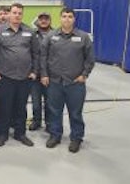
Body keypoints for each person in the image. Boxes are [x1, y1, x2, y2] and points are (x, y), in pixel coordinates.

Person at [40, 8, 95, 153]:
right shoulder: (51, 36)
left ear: (74, 19)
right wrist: (44, 75)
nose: (67, 19)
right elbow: (43, 57)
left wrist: (84, 75)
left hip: (75, 83)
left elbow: (90, 59)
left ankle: (76, 138)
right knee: (54, 111)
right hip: (54, 82)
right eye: (64, 16)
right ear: (60, 19)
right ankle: (55, 135)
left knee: (75, 112)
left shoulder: (83, 37)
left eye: (70, 17)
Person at [0, 3, 39, 147]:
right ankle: (2, 134)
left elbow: (36, 53)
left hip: (24, 77)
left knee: (21, 107)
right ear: (9, 14)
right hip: (4, 76)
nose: (17, 15)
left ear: (22, 15)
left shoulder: (29, 32)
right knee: (4, 107)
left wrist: (34, 71)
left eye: (19, 13)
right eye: (14, 12)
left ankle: (20, 133)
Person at [29, 12, 52, 131]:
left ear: (50, 21)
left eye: (46, 19)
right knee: (36, 102)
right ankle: (36, 121)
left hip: (50, 75)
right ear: (37, 21)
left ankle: (49, 124)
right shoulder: (32, 35)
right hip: (35, 74)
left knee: (49, 102)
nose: (43, 21)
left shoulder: (55, 35)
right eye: (41, 19)